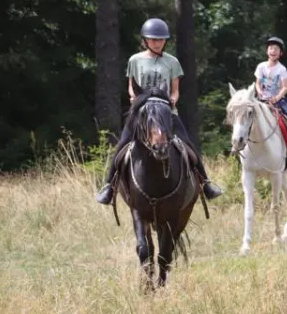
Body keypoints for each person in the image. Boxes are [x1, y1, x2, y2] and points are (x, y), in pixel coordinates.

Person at [95, 18, 223, 204]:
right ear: (145, 40)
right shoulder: (135, 60)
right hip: (142, 114)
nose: (158, 43)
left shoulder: (172, 62)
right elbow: (131, 86)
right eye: (154, 39)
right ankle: (109, 188)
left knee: (189, 145)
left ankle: (206, 184)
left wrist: (173, 100)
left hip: (165, 112)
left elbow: (176, 89)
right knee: (121, 146)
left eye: (161, 40)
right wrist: (134, 98)